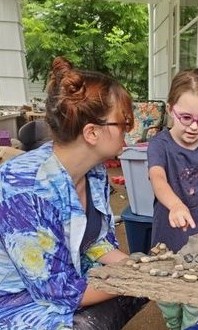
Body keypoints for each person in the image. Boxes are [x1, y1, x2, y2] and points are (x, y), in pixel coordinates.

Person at [0, 56, 147, 329]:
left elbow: (96, 242)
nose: (130, 129)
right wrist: (140, 279)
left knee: (145, 281)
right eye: (124, 122)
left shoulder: (95, 171)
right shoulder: (26, 190)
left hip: (70, 279)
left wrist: (139, 268)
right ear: (91, 132)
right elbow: (57, 292)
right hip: (18, 302)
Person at [147, 68, 198, 330]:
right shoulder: (160, 144)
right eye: (186, 117)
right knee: (168, 297)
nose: (194, 126)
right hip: (166, 238)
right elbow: (157, 178)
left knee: (194, 299)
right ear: (171, 110)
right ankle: (173, 324)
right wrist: (175, 204)